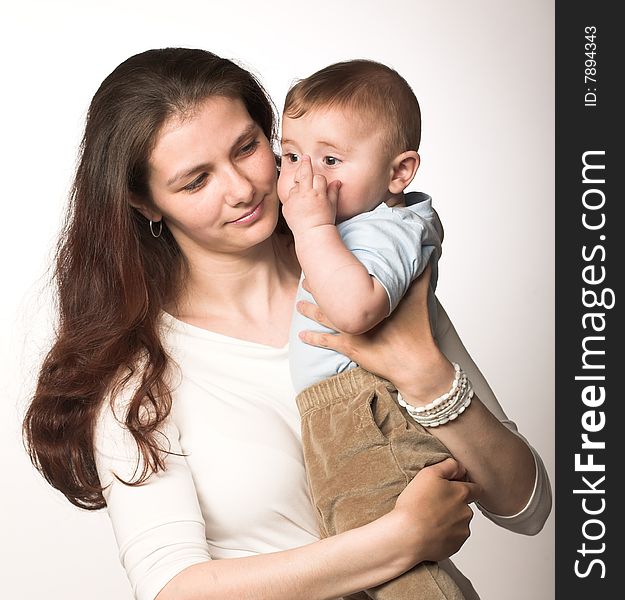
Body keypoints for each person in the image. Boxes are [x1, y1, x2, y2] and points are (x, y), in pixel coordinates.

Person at [22, 48, 551, 600]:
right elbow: (173, 589)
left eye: (247, 148)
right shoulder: (137, 373)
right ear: (145, 202)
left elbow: (526, 505)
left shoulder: (365, 280)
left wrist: (425, 378)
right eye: (196, 180)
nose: (243, 188)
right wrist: (401, 539)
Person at [278, 59, 467, 600]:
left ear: (398, 172)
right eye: (291, 156)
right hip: (335, 414)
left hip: (365, 410)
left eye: (330, 159)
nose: (303, 177)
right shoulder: (350, 225)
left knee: (400, 575)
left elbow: (357, 311)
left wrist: (311, 225)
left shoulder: (391, 227)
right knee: (370, 567)